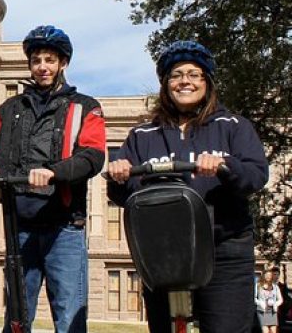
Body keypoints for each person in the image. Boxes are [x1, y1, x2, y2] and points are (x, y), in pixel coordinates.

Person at [107, 40, 269, 333]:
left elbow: (256, 176)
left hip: (224, 249)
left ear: (207, 81)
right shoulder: (144, 134)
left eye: (194, 74)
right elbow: (124, 195)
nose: (185, 81)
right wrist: (119, 176)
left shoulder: (233, 126)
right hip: (164, 252)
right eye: (176, 75)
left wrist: (225, 165)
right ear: (166, 84)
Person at [0, 25, 107, 333]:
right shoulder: (10, 109)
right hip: (19, 229)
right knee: (16, 318)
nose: (43, 67)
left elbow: (92, 157)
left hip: (64, 227)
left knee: (69, 318)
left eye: (50, 60)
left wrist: (55, 172)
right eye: (37, 60)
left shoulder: (85, 107)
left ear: (63, 63)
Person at [257, 268, 284, 333]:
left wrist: (275, 304)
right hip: (262, 310)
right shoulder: (258, 286)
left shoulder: (276, 286)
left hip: (273, 311)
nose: (268, 277)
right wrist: (261, 303)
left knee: (273, 331)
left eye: (270, 275)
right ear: (264, 276)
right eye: (267, 275)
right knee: (265, 331)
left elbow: (281, 299)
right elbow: (254, 298)